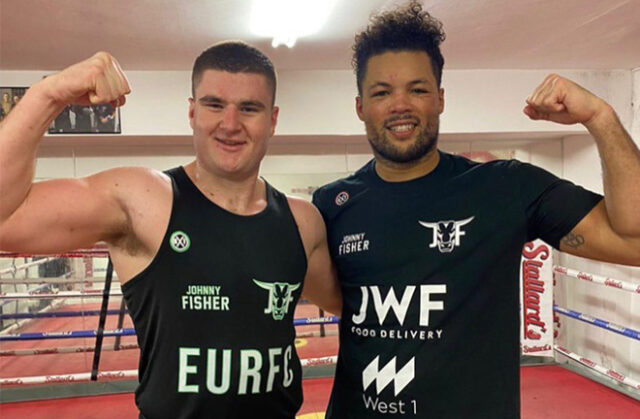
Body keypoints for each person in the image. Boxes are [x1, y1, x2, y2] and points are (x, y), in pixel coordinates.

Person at [311, 2, 640, 418]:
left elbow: (635, 240)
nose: (400, 105)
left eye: (418, 89)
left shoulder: (505, 187)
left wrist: (601, 117)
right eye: (381, 92)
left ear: (440, 98)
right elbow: (340, 301)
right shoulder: (331, 204)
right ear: (360, 106)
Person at [0, 41, 341, 418]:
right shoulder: (144, 199)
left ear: (272, 119)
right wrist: (48, 94)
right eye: (214, 105)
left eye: (249, 108)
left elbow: (350, 304)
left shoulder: (302, 222)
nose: (230, 124)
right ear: (192, 111)